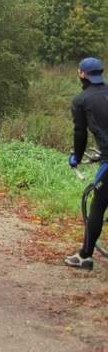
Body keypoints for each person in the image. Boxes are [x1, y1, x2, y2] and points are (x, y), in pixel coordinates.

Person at [65, 57, 108, 270]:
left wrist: (76, 158)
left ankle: (85, 256)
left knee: (98, 205)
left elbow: (80, 134)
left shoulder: (81, 100)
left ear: (82, 74)